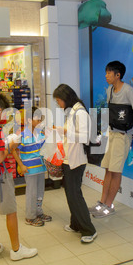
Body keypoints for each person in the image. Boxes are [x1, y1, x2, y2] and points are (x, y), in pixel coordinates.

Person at [0, 93, 38, 260]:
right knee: (10, 212)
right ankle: (16, 250)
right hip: (0, 175)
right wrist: (12, 144)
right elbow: (0, 157)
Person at [90, 61, 133, 218]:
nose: (106, 76)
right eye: (106, 72)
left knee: (115, 171)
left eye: (109, 73)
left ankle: (109, 205)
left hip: (122, 136)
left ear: (118, 75)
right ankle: (102, 203)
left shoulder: (128, 91)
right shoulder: (109, 90)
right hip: (111, 134)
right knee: (107, 169)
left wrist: (130, 128)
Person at [53, 84, 97, 243]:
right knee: (70, 194)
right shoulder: (72, 111)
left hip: (76, 160)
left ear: (66, 98)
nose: (58, 104)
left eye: (59, 101)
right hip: (69, 158)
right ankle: (75, 224)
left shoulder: (80, 113)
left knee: (75, 195)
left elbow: (85, 137)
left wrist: (64, 131)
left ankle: (89, 229)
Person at [11, 106, 51, 227]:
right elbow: (13, 149)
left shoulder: (41, 133)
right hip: (30, 169)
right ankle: (30, 216)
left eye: (40, 120)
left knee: (40, 192)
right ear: (29, 120)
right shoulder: (22, 135)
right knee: (31, 193)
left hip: (41, 167)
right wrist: (21, 165)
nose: (39, 122)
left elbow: (45, 147)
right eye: (37, 119)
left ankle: (38, 212)